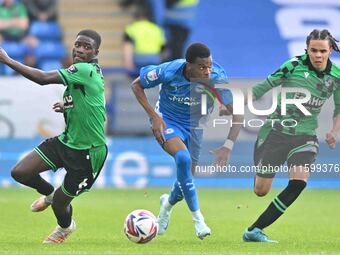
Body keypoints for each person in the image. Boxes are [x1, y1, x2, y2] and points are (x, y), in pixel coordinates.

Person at [0, 29, 108, 244]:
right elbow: (93, 104)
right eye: (78, 44)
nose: (80, 50)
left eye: (87, 47)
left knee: (61, 204)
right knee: (20, 172)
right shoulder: (84, 73)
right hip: (66, 142)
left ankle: (65, 227)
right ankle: (49, 194)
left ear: (96, 52)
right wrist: (68, 105)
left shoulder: (84, 69)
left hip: (88, 153)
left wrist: (7, 60)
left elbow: (42, 79)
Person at [132, 42, 243, 239]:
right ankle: (198, 220)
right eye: (202, 67)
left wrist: (227, 146)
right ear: (188, 65)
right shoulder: (168, 70)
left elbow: (238, 116)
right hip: (168, 121)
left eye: (209, 66)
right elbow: (136, 85)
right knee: (183, 158)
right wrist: (154, 117)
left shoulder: (217, 76)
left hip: (195, 128)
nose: (207, 71)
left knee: (186, 181)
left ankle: (166, 206)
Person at [243, 29, 340, 243]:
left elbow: (339, 107)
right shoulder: (293, 66)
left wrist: (333, 131)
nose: (317, 55)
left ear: (330, 50)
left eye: (322, 51)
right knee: (261, 191)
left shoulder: (337, 76)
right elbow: (262, 88)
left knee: (299, 182)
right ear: (307, 49)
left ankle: (254, 229)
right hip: (276, 133)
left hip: (305, 136)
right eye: (313, 50)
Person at [123, 8, 166, 77]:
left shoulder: (131, 28)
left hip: (139, 59)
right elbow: (163, 49)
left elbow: (128, 47)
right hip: (155, 59)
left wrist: (128, 63)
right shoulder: (156, 28)